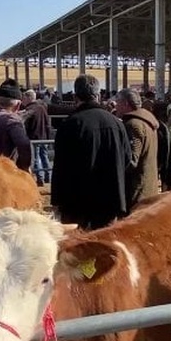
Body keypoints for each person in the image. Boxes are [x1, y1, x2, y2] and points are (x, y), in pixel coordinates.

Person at [51, 75, 131, 229]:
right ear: (98, 95)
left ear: (75, 97)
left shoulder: (70, 124)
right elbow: (127, 159)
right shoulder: (116, 123)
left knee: (77, 248)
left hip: (76, 202)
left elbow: (60, 166)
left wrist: (56, 201)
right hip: (110, 199)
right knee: (103, 246)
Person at [115, 88, 160, 207]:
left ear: (125, 103)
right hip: (149, 187)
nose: (116, 106)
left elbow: (131, 160)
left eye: (117, 102)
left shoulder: (133, 125)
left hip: (136, 192)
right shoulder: (148, 121)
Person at [22, 89, 52, 185]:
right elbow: (48, 122)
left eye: (24, 98)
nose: (23, 100)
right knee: (44, 156)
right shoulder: (42, 108)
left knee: (36, 158)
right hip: (44, 136)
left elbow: (26, 124)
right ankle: (48, 176)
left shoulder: (30, 109)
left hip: (34, 136)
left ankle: (40, 178)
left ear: (29, 98)